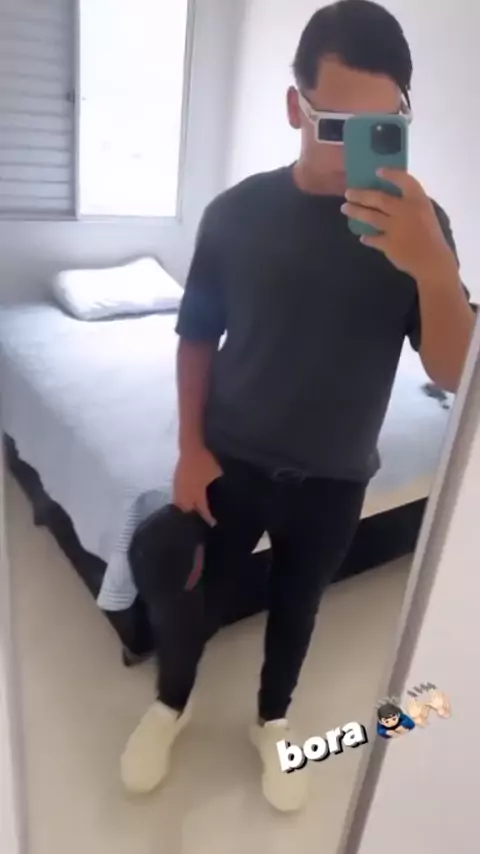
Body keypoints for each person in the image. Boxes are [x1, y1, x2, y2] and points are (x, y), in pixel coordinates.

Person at [121, 0, 475, 811]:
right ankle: (171, 703)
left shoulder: (423, 229)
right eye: (337, 125)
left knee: (298, 608)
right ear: (295, 107)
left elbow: (455, 372)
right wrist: (189, 449)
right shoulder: (235, 215)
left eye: (383, 126)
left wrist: (432, 266)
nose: (357, 146)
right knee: (196, 599)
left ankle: (272, 721)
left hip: (336, 476)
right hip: (231, 459)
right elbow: (195, 336)